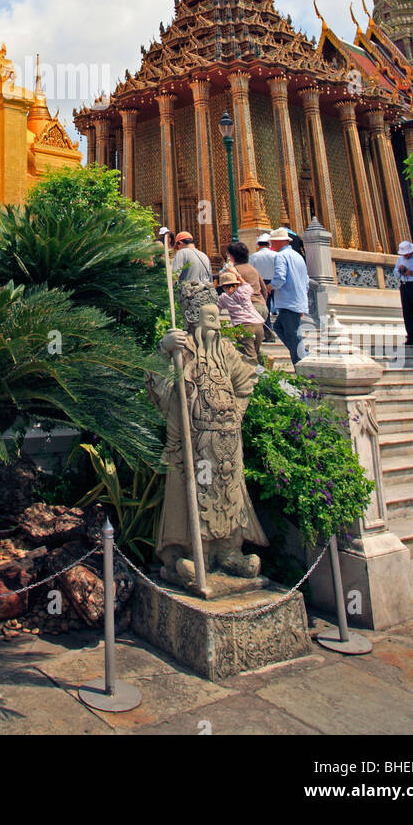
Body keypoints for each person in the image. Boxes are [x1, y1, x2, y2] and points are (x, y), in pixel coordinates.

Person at [149, 286, 267, 584]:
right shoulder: (182, 351)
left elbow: (245, 382)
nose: (213, 325)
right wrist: (164, 350)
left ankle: (228, 552)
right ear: (191, 316)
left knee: (228, 491)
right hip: (194, 440)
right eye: (208, 318)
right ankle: (188, 554)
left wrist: (236, 414)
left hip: (227, 441)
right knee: (194, 492)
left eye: (217, 318)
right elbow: (153, 381)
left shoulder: (225, 352)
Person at [269, 226, 309, 365]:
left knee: (293, 335)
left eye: (273, 241)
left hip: (288, 301)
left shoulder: (281, 256)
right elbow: (306, 281)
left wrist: (270, 286)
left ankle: (301, 361)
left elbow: (280, 278)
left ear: (280, 242)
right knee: (279, 327)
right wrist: (302, 302)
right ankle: (301, 352)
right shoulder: (298, 256)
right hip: (297, 299)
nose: (272, 244)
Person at [217, 265, 265, 361]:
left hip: (243, 326)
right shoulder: (244, 290)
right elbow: (246, 284)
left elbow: (216, 311)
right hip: (258, 324)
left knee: (249, 357)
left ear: (223, 286)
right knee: (255, 352)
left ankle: (255, 374)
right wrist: (236, 274)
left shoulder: (223, 297)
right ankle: (264, 372)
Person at [225, 240, 269, 321]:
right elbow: (264, 290)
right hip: (261, 306)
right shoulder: (253, 269)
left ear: (231, 256)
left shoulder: (234, 271)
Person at [250, 232, 277, 317]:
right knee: (279, 304)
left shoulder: (253, 257)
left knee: (265, 305)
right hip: (275, 281)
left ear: (258, 245)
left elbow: (251, 272)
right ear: (269, 244)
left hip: (261, 282)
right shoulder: (276, 255)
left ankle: (267, 326)